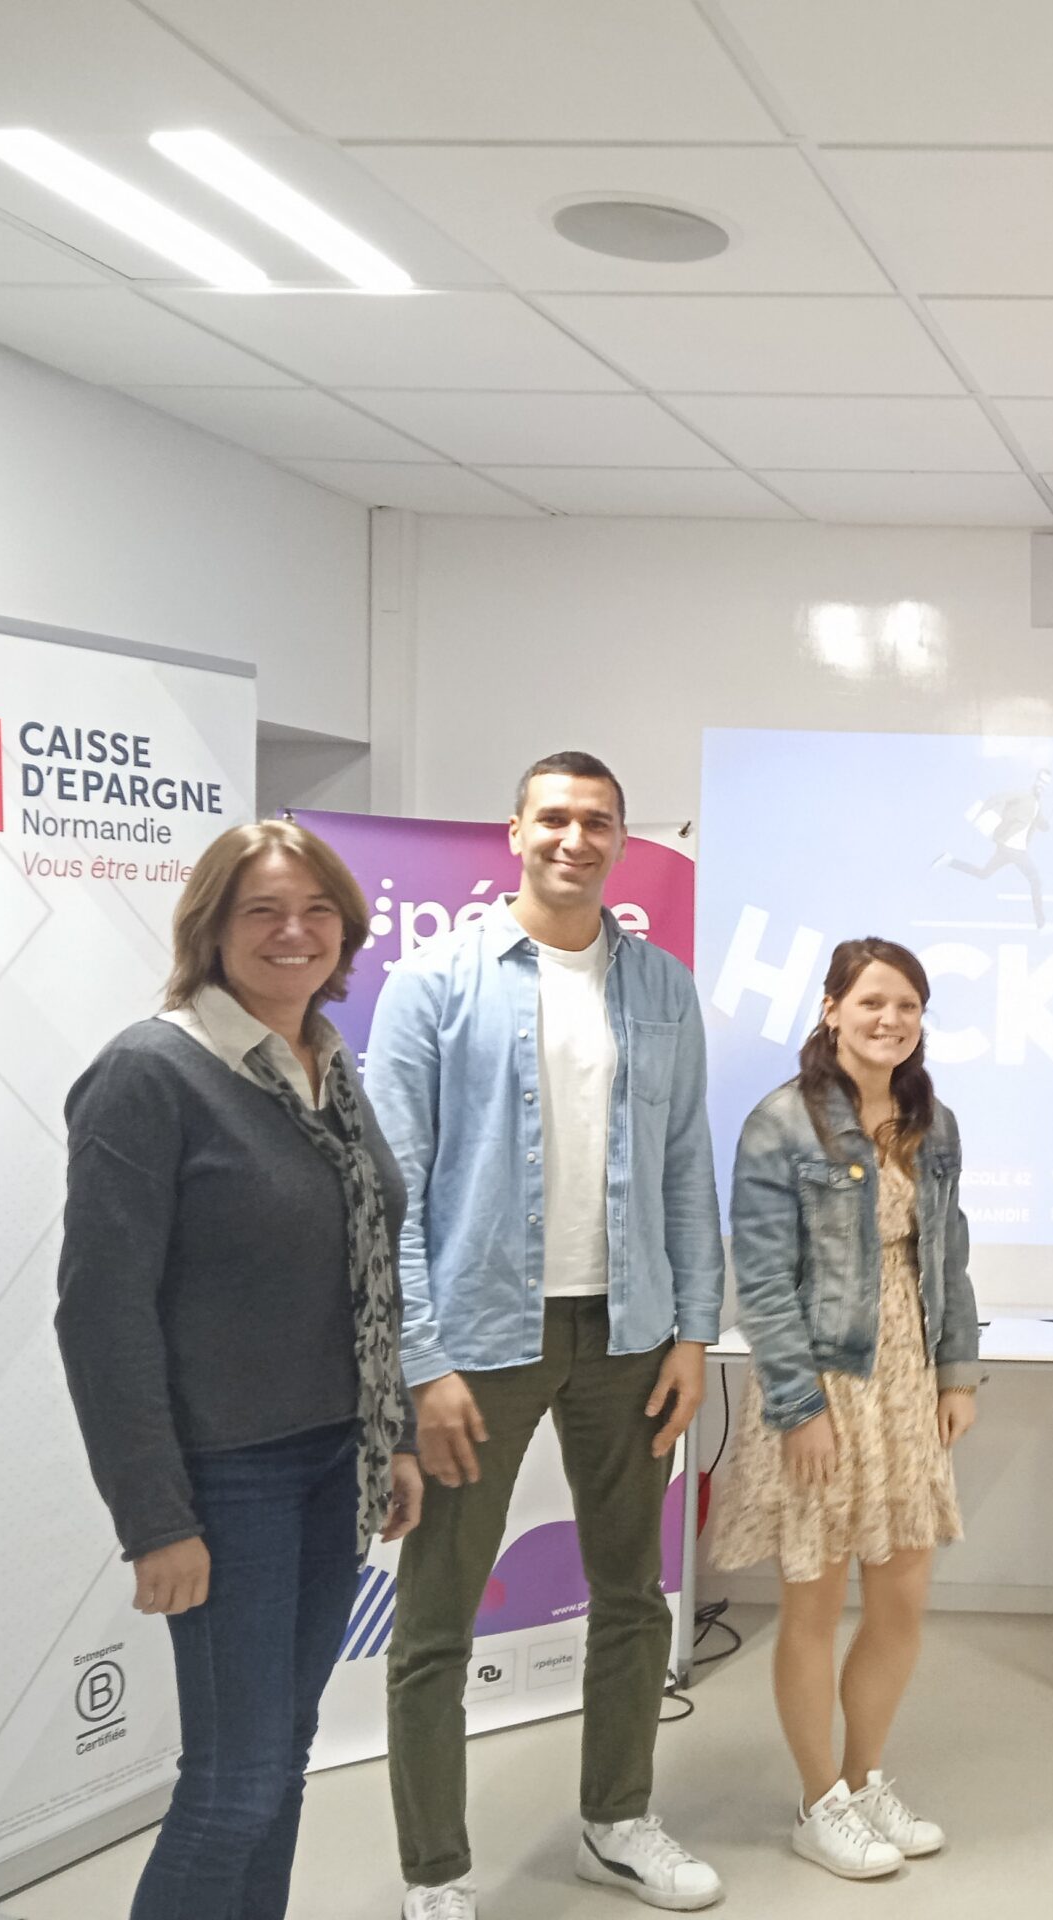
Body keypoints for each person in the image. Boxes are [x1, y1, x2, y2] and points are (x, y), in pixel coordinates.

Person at [369, 753, 724, 1918]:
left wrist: (692, 1332)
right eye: (555, 818)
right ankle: (435, 1875)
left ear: (621, 839)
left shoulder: (661, 985)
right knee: (436, 1620)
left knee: (634, 1596)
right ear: (515, 832)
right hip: (480, 1339)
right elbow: (392, 1190)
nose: (576, 838)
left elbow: (685, 1167)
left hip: (630, 1334)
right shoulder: (435, 981)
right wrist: (423, 1361)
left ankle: (615, 1823)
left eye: (598, 822)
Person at [56, 819, 420, 1920]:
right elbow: (101, 1316)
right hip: (228, 1476)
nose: (293, 932)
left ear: (346, 931)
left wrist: (393, 1437)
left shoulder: (321, 1062)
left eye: (316, 911)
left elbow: (367, 1267)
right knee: (232, 1785)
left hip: (331, 1462)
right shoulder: (149, 1072)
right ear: (210, 929)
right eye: (262, 910)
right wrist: (155, 1519)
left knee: (282, 1760)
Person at [710, 938, 980, 1882]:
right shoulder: (782, 1122)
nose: (889, 1020)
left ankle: (864, 1781)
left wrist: (957, 1375)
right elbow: (762, 1282)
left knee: (902, 1598)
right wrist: (797, 1408)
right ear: (831, 1009)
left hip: (906, 1379)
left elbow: (949, 1256)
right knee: (815, 1604)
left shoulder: (931, 1121)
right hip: (820, 1384)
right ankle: (818, 1800)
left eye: (907, 1005)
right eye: (871, 1002)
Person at [936, 766, 1051, 929]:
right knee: (1035, 880)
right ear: (1035, 779)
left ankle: (950, 861)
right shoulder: (1023, 796)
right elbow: (997, 798)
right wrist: (979, 815)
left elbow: (1043, 826)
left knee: (984, 874)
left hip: (1012, 850)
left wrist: (1052, 814)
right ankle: (1041, 924)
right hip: (1012, 849)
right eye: (1041, 780)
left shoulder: (1037, 805)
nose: (1042, 785)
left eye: (1045, 783)